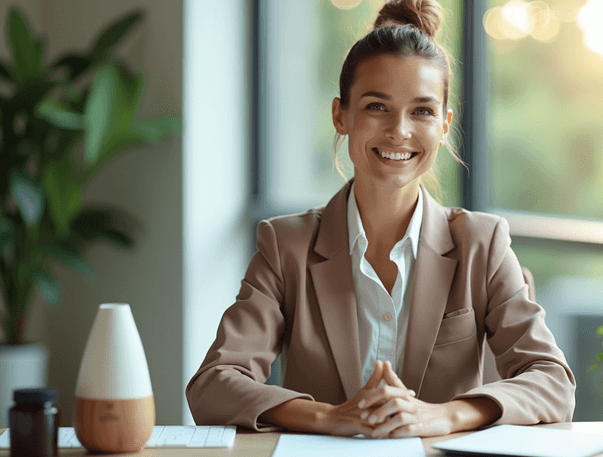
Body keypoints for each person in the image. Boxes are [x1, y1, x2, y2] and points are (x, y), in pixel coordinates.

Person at [186, 0, 575, 439]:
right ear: (341, 115)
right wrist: (330, 418)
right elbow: (213, 385)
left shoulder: (482, 244)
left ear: (445, 125)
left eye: (423, 111)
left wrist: (442, 415)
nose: (400, 131)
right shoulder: (286, 244)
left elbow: (553, 382)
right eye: (376, 107)